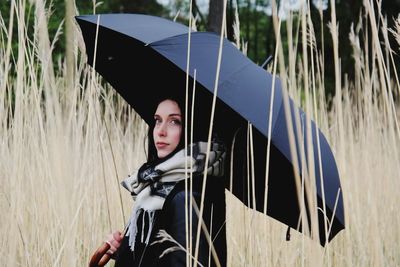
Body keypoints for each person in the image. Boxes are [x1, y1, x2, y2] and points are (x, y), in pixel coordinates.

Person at [90, 97, 227, 267]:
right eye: (157, 121)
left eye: (174, 121)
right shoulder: (165, 184)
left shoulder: (187, 197)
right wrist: (126, 251)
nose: (160, 131)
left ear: (193, 128)